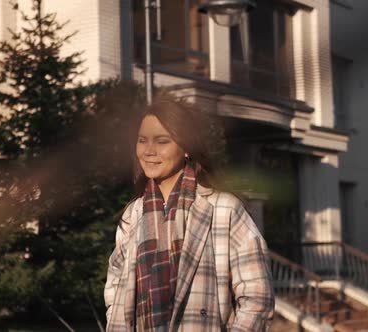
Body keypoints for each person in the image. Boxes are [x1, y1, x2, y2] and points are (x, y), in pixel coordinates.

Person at [104, 98, 275, 332]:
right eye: (142, 140)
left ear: (185, 147)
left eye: (162, 141)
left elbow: (258, 298)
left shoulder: (223, 209)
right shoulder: (133, 215)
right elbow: (116, 287)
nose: (149, 151)